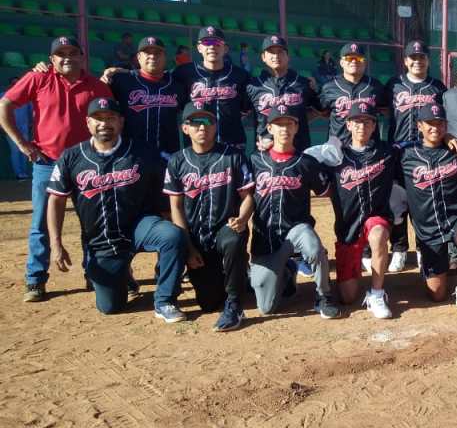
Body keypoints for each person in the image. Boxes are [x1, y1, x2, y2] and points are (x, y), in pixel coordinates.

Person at [46, 97, 188, 320]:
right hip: (101, 240)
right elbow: (56, 200)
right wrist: (56, 243)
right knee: (110, 307)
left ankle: (165, 300)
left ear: (121, 122)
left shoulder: (142, 152)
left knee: (171, 236)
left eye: (110, 118)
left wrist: (181, 241)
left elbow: (165, 194)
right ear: (88, 123)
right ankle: (124, 275)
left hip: (139, 226)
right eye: (98, 119)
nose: (104, 123)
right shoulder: (71, 157)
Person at [0, 35, 112, 302]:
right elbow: (5, 104)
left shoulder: (96, 86)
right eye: (61, 54)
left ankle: (93, 274)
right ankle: (35, 279)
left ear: (81, 57)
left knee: (93, 222)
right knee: (41, 222)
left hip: (86, 162)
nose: (67, 58)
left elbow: (113, 118)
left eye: (73, 53)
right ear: (52, 59)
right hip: (47, 162)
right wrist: (22, 144)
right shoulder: (38, 78)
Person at [163, 103, 254, 331]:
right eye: (195, 122)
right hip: (196, 236)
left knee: (234, 238)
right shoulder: (177, 161)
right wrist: (188, 247)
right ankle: (243, 277)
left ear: (215, 126)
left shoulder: (233, 155)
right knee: (208, 303)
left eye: (207, 122)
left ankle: (234, 306)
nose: (202, 127)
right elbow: (176, 207)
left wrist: (243, 218)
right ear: (185, 128)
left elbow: (248, 196)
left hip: (226, 227)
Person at [248, 108, 339, 319]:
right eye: (279, 124)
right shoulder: (255, 160)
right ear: (269, 128)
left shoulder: (306, 162)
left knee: (314, 249)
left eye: (289, 124)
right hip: (266, 237)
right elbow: (244, 196)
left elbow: (327, 192)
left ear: (296, 127)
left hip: (297, 229)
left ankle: (323, 296)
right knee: (266, 308)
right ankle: (288, 270)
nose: (284, 129)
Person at [399, 104, 457, 315]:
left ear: (446, 126)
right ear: (419, 126)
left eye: (440, 123)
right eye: (430, 123)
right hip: (428, 228)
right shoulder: (404, 153)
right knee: (437, 294)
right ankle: (434, 267)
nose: (435, 128)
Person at [322, 106, 395, 319]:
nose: (361, 126)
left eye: (367, 122)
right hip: (348, 227)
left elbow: (420, 146)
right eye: (357, 122)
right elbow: (302, 163)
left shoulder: (387, 152)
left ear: (374, 126)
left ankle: (377, 293)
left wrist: (446, 136)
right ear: (348, 125)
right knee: (347, 297)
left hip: (375, 218)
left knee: (379, 234)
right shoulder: (335, 156)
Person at [384, 39, 446, 272]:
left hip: (426, 152)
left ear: (427, 61)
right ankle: (399, 249)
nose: (417, 61)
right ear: (406, 60)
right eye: (413, 57)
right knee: (397, 202)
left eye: (421, 57)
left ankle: (423, 248)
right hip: (399, 152)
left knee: (423, 202)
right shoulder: (393, 85)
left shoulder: (437, 87)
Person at [100, 36, 187, 159]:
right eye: (147, 52)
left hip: (168, 156)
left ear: (165, 57)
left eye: (157, 53)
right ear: (138, 57)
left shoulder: (176, 85)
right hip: (130, 157)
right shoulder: (122, 80)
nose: (152, 56)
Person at [172, 25, 251, 150]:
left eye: (217, 42)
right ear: (199, 47)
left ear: (225, 48)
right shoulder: (184, 73)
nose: (212, 47)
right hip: (197, 149)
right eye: (206, 42)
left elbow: (246, 107)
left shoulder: (240, 75)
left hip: (233, 145)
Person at [246, 34, 318, 152]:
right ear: (263, 57)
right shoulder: (253, 86)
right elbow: (241, 112)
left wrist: (298, 118)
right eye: (271, 52)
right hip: (265, 153)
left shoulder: (303, 83)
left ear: (288, 56)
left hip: (298, 150)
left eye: (280, 51)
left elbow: (320, 111)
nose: (276, 56)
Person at [318, 42, 389, 146]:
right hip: (338, 149)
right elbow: (321, 112)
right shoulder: (329, 87)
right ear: (341, 62)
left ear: (364, 62)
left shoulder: (375, 86)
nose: (354, 61)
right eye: (349, 58)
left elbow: (386, 110)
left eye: (359, 58)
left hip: (369, 149)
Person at [2, 77, 31, 179]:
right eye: (14, 83)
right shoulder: (3, 96)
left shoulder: (26, 96)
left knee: (25, 150)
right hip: (10, 129)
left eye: (18, 83)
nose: (16, 85)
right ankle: (18, 173)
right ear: (10, 85)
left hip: (24, 128)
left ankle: (23, 173)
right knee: (15, 151)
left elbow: (30, 112)